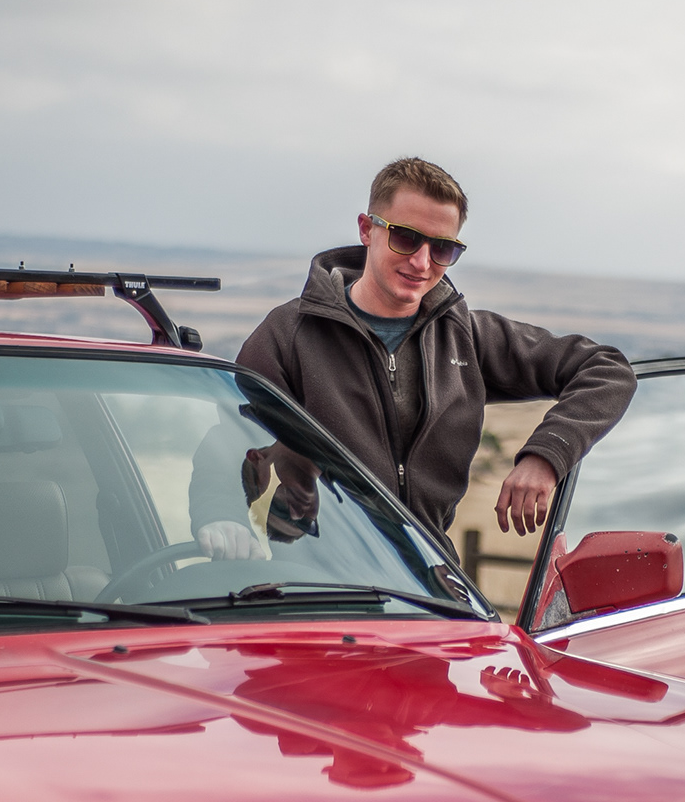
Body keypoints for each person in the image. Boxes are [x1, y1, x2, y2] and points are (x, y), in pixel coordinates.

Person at [194, 157, 635, 562]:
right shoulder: (288, 334)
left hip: (427, 583)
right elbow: (230, 438)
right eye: (406, 239)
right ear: (367, 229)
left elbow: (607, 370)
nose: (422, 262)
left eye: (443, 249)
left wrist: (545, 456)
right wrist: (222, 515)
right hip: (317, 577)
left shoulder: (468, 337)